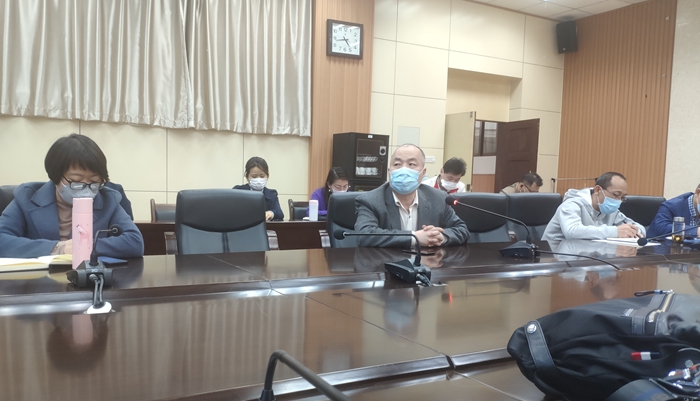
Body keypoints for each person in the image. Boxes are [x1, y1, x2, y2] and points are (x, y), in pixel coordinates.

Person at [0, 134, 144, 258]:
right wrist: (58, 248)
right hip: (38, 279)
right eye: (76, 181)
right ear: (56, 177)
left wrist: (84, 247)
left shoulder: (108, 199)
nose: (86, 188)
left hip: (89, 278)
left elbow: (135, 242)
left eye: (94, 182)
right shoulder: (27, 197)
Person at [354, 144, 470, 248]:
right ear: (389, 172)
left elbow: (461, 230)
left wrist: (440, 236)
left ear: (423, 173)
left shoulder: (438, 198)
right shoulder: (370, 200)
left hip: (428, 263)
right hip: (385, 263)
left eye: (411, 164)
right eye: (397, 164)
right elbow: (364, 235)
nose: (404, 169)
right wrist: (414, 237)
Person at [542, 172, 646, 241]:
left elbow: (639, 227)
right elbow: (572, 232)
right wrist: (615, 232)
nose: (618, 201)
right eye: (616, 195)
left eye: (622, 197)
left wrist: (635, 232)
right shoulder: (571, 204)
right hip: (555, 257)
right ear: (598, 190)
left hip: (586, 257)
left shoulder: (611, 211)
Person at [233, 156, 284, 221]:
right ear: (247, 177)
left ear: (267, 176)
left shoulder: (272, 194)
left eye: (262, 176)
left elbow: (280, 214)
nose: (258, 180)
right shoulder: (238, 191)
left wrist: (271, 213)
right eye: (254, 176)